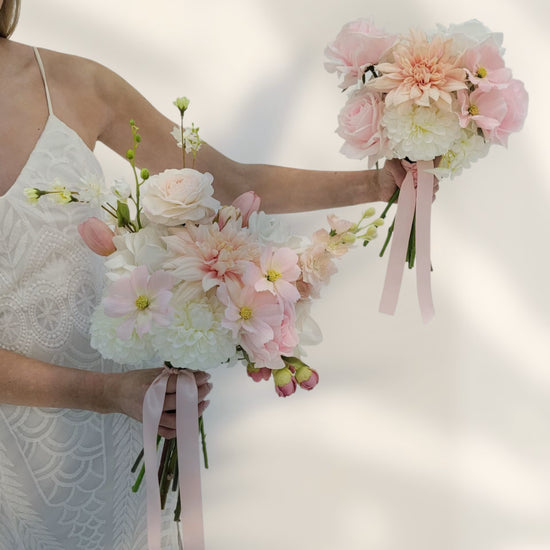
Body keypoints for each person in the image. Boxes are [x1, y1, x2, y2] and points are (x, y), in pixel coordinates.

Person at [0, 1, 405, 548]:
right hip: (89, 408)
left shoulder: (75, 82)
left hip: (103, 441)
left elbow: (223, 179)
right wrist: (105, 392)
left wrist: (373, 187)